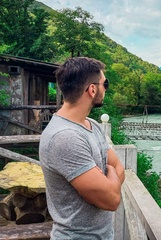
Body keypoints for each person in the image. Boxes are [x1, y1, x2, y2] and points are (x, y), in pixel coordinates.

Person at [39, 57, 125, 240]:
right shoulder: (64, 137)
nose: (106, 89)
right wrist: (110, 173)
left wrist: (109, 178)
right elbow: (111, 199)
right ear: (92, 89)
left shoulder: (92, 125)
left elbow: (119, 168)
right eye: (105, 83)